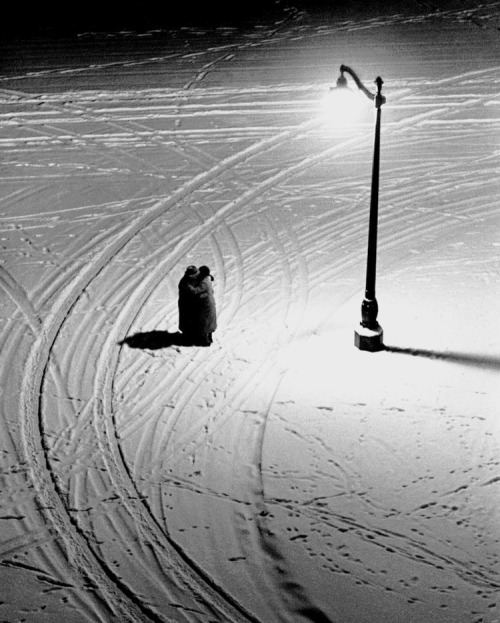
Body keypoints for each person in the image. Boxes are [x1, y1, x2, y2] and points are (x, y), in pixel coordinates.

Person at [190, 265, 217, 346]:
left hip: (206, 305)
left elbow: (196, 291)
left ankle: (205, 339)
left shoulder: (204, 283)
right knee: (210, 321)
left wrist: (189, 287)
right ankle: (209, 337)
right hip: (210, 303)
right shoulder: (207, 280)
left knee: (204, 321)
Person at [177, 265, 199, 344]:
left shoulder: (196, 279)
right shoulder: (185, 282)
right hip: (186, 304)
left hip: (193, 304)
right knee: (187, 320)